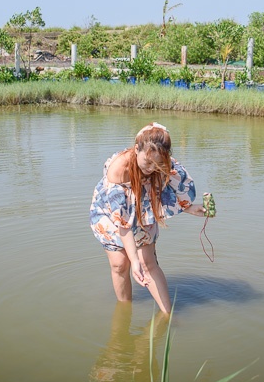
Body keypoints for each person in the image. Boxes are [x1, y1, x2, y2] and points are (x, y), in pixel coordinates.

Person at [89, 122, 210, 315]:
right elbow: (123, 224)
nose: (152, 168)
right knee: (120, 264)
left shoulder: (161, 163)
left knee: (147, 262)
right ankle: (125, 312)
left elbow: (167, 190)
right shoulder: (119, 170)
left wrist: (189, 208)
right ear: (137, 149)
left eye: (158, 164)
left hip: (144, 205)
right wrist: (133, 260)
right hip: (113, 212)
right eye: (147, 162)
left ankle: (168, 316)